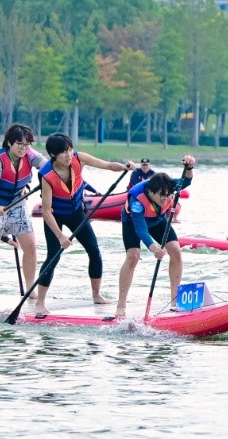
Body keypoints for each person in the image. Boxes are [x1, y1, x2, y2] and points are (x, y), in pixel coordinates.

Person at [34, 134, 134, 315]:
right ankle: (40, 302)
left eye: (70, 149)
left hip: (75, 212)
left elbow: (107, 165)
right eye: (63, 152)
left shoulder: (79, 158)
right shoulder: (47, 175)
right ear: (53, 154)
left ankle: (96, 295)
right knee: (53, 256)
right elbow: (46, 211)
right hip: (55, 216)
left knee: (94, 250)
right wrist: (60, 236)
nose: (68, 155)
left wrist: (124, 167)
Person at [117, 156, 196, 318]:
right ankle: (121, 305)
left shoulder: (169, 186)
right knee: (133, 256)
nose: (165, 199)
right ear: (151, 192)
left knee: (176, 251)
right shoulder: (137, 199)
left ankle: (175, 301)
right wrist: (153, 248)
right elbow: (141, 230)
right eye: (161, 196)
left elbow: (187, 181)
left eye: (168, 195)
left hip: (158, 220)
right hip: (133, 223)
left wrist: (189, 167)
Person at [0, 124, 40, 311]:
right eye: (20, 144)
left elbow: (46, 166)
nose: (24, 148)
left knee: (30, 246)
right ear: (10, 143)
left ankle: (30, 289)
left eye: (27, 144)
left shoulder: (30, 154)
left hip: (16, 204)